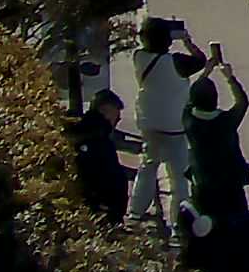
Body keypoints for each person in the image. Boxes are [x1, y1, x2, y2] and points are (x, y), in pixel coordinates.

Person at [126, 16, 203, 226]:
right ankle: (178, 222)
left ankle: (135, 213)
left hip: (149, 121)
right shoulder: (177, 62)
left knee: (148, 167)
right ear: (168, 39)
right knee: (179, 177)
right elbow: (200, 60)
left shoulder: (139, 57)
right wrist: (187, 41)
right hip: (175, 126)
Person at [184, 54, 249, 217]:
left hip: (202, 180)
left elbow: (189, 98)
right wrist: (229, 77)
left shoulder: (189, 119)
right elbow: (242, 102)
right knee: (238, 221)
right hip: (230, 183)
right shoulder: (226, 121)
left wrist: (206, 72)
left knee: (205, 222)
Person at [72, 89, 134, 219]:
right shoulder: (97, 138)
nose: (117, 121)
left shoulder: (90, 132)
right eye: (115, 117)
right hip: (101, 212)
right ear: (104, 111)